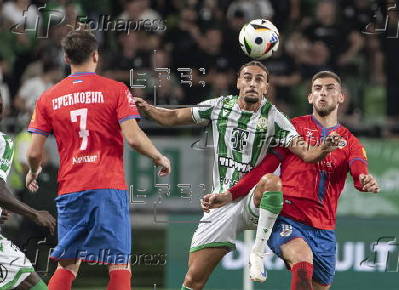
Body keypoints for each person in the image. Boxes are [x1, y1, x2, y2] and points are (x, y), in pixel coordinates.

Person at [134, 61, 340, 289]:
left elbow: (306, 153)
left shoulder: (275, 118)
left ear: (266, 87)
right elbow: (172, 117)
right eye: (248, 78)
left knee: (272, 182)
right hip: (222, 203)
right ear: (238, 82)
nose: (253, 83)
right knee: (193, 279)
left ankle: (257, 254)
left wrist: (323, 148)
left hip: (253, 200)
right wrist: (148, 110)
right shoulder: (219, 107)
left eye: (259, 79)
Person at [203, 70, 380, 290]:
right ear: (310, 97)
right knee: (301, 256)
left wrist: (364, 179)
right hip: (289, 217)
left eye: (330, 88)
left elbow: (358, 168)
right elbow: (266, 167)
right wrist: (232, 193)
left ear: (341, 96)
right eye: (317, 88)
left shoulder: (350, 141)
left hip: (324, 228)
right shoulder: (293, 128)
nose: (323, 93)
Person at [25, 30, 171, 290]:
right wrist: (158, 156)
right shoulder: (115, 90)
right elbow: (134, 138)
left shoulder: (48, 97)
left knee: (68, 263)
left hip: (71, 189)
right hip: (107, 186)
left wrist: (33, 171)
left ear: (67, 57)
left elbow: (34, 152)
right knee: (119, 262)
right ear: (95, 55)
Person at [0, 93, 56, 289]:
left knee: (27, 277)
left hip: (14, 202)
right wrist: (33, 214)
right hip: (26, 198)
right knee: (30, 278)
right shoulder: (9, 141)